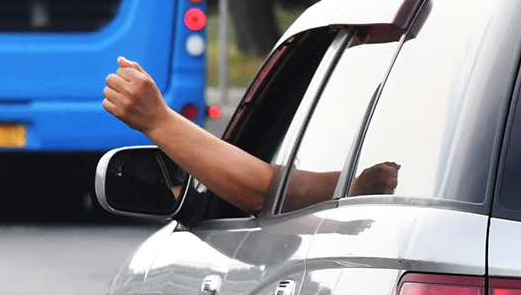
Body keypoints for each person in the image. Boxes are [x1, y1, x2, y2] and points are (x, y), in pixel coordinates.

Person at [103, 57, 397, 212]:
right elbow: (289, 191)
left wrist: (158, 121)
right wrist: (362, 182)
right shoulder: (416, 173)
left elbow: (264, 195)